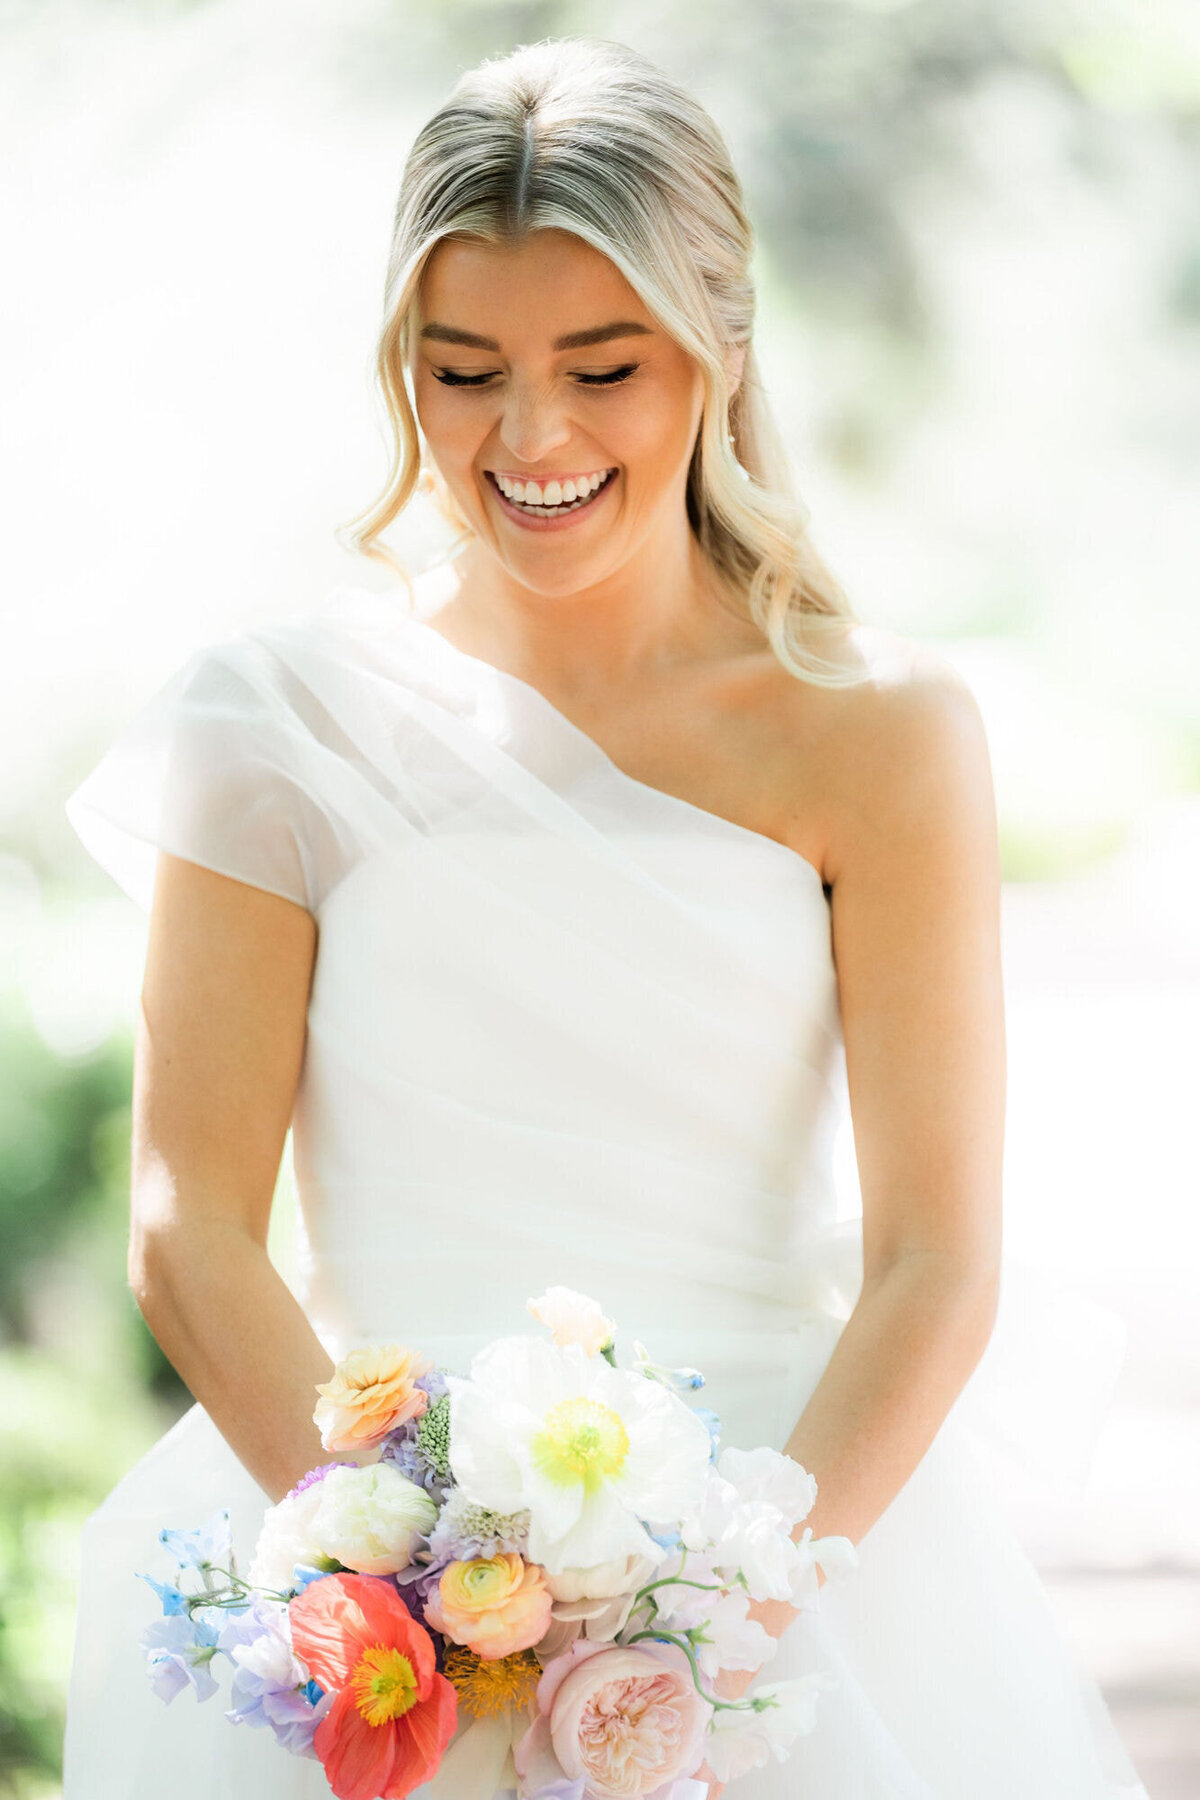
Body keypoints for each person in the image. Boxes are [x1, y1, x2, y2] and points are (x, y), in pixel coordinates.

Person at [61, 34, 1148, 1800]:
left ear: (719, 354)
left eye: (602, 365)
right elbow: (191, 1230)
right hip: (362, 1570)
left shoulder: (879, 733)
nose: (532, 436)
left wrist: (719, 1618)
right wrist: (400, 1592)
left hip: (783, 1571)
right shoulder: (270, 720)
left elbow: (938, 1258)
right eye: (465, 369)